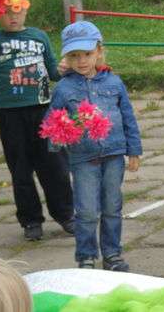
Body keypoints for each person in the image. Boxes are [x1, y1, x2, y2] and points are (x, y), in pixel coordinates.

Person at [48, 20, 142, 271]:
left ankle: (112, 255)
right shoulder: (64, 88)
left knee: (112, 207)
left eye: (87, 54)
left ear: (99, 51)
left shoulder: (114, 83)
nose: (82, 61)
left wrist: (134, 150)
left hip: (113, 155)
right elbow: (52, 123)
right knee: (87, 211)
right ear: (66, 58)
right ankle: (86, 257)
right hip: (82, 159)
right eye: (74, 55)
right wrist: (60, 137)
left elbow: (128, 117)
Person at [0, 0, 73, 241]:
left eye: (17, 11)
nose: (12, 17)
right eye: (6, 12)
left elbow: (53, 70)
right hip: (11, 115)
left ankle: (66, 214)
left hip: (44, 111)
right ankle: (31, 220)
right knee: (20, 170)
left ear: (25, 10)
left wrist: (68, 69)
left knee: (55, 166)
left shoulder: (38, 37)